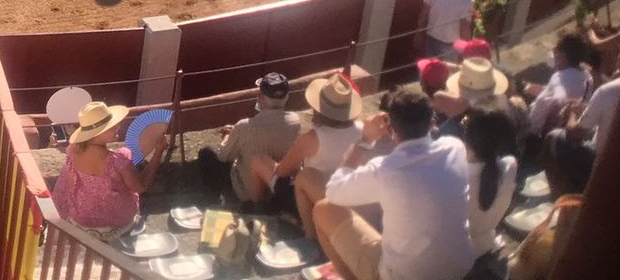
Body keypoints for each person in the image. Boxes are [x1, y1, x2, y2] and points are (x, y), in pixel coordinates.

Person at [314, 86, 477, 280]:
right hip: (459, 268)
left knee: (323, 209)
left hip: (402, 276)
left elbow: (333, 191)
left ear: (391, 129)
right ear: (433, 122)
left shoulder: (386, 170)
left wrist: (364, 140)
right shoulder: (455, 147)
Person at [248, 71, 363, 238]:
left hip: (315, 201)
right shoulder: (363, 129)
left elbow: (281, 172)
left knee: (259, 161)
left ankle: (258, 209)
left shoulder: (312, 138)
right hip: (349, 202)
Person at [51, 101, 168, 235]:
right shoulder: (118, 160)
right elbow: (140, 187)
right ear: (96, 133)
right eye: (111, 126)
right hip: (114, 220)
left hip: (81, 216)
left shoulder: (72, 151)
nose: (117, 127)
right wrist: (158, 152)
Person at [543, 28, 620, 194]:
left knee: (554, 137)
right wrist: (588, 109)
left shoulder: (609, 91)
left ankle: (561, 194)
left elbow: (574, 134)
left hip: (605, 163)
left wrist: (572, 112)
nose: (617, 61)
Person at [197, 72, 300, 207]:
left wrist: (227, 136)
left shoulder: (244, 126)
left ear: (261, 97)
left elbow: (224, 156)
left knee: (207, 153)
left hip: (247, 191)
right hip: (278, 186)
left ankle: (213, 199)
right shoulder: (296, 121)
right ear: (286, 97)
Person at [463, 106, 519, 261]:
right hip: (487, 240)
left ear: (467, 139)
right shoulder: (510, 165)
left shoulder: (456, 176)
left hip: (460, 251)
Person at [522, 31, 591, 141]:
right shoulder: (587, 77)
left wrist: (529, 130)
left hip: (545, 136)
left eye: (556, 52)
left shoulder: (558, 77)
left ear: (562, 57)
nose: (553, 54)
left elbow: (541, 107)